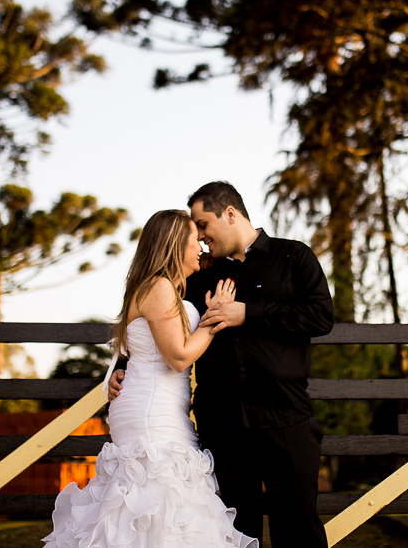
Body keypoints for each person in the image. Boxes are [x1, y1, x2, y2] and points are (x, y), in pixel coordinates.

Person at [109, 182, 335, 548]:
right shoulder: (200, 276)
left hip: (286, 414)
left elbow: (321, 317)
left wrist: (249, 312)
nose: (198, 236)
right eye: (194, 230)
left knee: (298, 524)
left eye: (202, 224)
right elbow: (153, 321)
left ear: (230, 214)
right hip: (222, 424)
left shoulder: (294, 256)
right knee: (229, 528)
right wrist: (123, 364)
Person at [43, 209, 257, 548]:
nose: (199, 248)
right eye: (192, 241)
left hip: (156, 409)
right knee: (160, 507)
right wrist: (215, 316)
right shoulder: (158, 287)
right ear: (174, 246)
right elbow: (178, 357)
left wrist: (120, 371)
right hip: (153, 418)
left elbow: (144, 351)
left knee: (156, 512)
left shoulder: (157, 288)